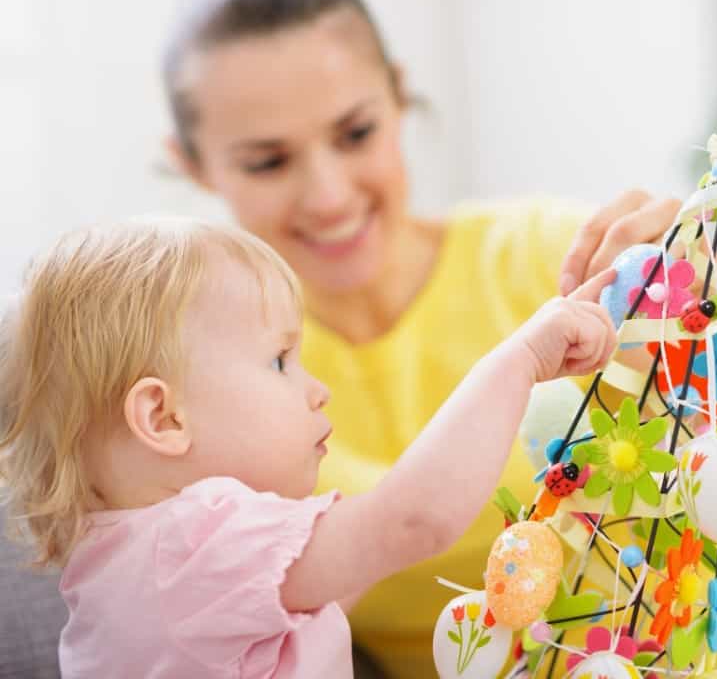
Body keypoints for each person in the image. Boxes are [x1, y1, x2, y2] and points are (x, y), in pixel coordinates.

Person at [159, 0, 717, 677]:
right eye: (268, 160)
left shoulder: (545, 248)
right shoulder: (223, 385)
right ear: (191, 163)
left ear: (399, 96)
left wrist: (703, 288)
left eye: (355, 132)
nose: (328, 193)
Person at [0, 218, 617, 677]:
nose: (317, 391)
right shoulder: (193, 545)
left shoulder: (144, 561)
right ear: (162, 417)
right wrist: (519, 362)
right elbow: (412, 520)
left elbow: (341, 579)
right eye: (279, 360)